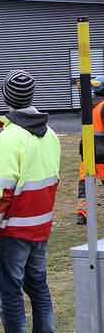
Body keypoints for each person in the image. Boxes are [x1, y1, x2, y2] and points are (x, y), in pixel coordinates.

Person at [0, 69, 61, 333]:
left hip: (13, 230)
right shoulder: (50, 134)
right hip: (41, 225)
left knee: (9, 292)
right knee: (38, 285)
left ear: (6, 98)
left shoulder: (9, 138)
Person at [76, 76, 104, 225]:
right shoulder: (103, 105)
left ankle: (82, 214)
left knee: (85, 183)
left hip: (87, 149)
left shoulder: (88, 104)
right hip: (101, 152)